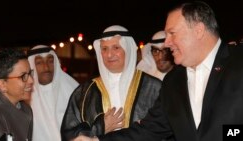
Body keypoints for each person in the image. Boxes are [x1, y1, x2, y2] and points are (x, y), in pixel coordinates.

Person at [72, 1, 243, 141]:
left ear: (198, 30)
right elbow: (148, 130)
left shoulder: (238, 62)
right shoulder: (173, 81)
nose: (167, 43)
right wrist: (97, 140)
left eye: (172, 33)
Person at [60, 25, 162, 141]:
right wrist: (100, 127)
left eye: (116, 48)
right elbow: (68, 134)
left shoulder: (153, 87)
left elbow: (164, 130)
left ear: (127, 49)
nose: (109, 54)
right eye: (104, 49)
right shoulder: (85, 91)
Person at [27, 45, 79, 141]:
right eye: (39, 63)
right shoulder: (24, 95)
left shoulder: (73, 89)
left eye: (50, 61)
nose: (46, 67)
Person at [0, 48, 34, 141]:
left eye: (30, 73)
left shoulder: (26, 109)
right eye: (23, 76)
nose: (31, 80)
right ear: (2, 84)